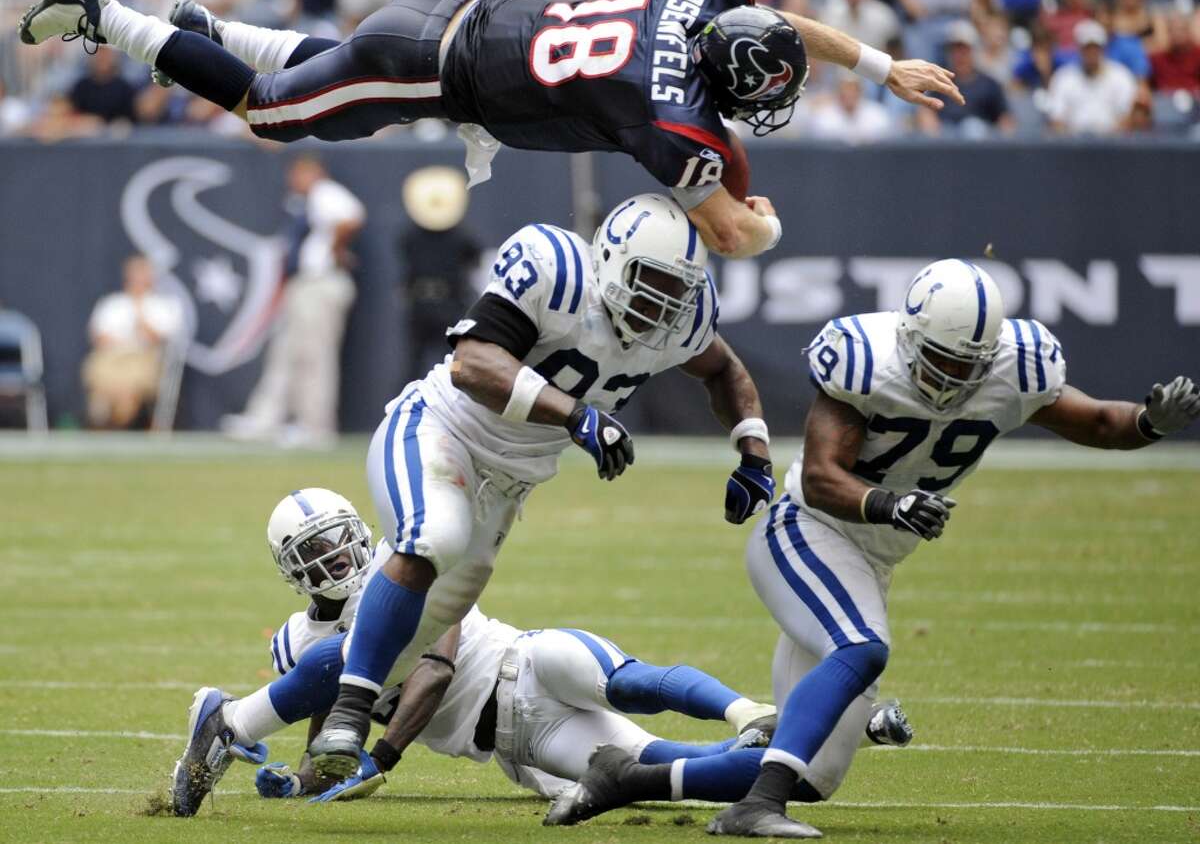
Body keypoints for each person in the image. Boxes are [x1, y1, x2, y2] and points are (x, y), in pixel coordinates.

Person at [544, 258, 1200, 837]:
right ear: (910, 337)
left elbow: (1098, 422)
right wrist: (889, 502)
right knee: (862, 645)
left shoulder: (1015, 369)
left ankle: (625, 775)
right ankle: (753, 809)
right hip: (807, 534)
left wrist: (1147, 423)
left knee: (815, 772)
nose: (954, 376)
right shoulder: (868, 361)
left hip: (871, 559)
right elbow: (826, 477)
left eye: (969, 364)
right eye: (942, 359)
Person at [299, 192, 775, 785]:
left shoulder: (684, 319)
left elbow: (724, 369)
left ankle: (243, 721)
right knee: (432, 538)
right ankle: (347, 714)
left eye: (675, 289)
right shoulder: (557, 270)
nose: (661, 303)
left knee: (419, 635)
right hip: (439, 430)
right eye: (648, 280)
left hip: (506, 484)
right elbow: (472, 362)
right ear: (610, 258)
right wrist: (576, 415)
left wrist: (753, 451)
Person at [19, 0, 962, 259]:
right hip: (433, 62)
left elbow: (778, 19)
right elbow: (727, 234)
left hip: (450, 9)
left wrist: (878, 66)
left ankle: (204, 24)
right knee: (272, 116)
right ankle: (103, 11)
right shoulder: (666, 114)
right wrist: (766, 221)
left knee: (339, 91)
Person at [169, 486, 864, 814]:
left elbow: (437, 663)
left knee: (628, 682)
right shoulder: (298, 642)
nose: (341, 555)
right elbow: (329, 739)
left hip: (523, 663)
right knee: (657, 767)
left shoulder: (400, 564)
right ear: (292, 569)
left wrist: (382, 759)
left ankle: (751, 712)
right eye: (317, 550)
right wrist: (303, 780)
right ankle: (818, 732)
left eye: (344, 536)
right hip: (514, 740)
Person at [220, 154, 364, 447]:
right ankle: (265, 420)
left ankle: (315, 427)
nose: (293, 181)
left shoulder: (326, 192)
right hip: (304, 285)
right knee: (284, 353)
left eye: (299, 174)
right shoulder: (306, 201)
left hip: (320, 283)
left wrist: (335, 251)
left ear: (313, 172)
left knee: (314, 356)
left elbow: (351, 217)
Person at [397, 166, 479, 382]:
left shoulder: (461, 238)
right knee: (414, 364)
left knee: (455, 362)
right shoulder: (412, 237)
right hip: (425, 307)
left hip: (449, 305)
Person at [82, 254, 183, 428]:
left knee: (127, 390)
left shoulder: (164, 305)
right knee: (101, 383)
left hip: (144, 359)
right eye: (135, 274)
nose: (139, 279)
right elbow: (99, 337)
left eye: (143, 274)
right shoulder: (112, 304)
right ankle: (103, 419)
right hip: (112, 358)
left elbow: (157, 339)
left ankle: (118, 420)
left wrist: (139, 312)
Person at [917, 21, 1013, 136]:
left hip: (981, 143)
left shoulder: (989, 84)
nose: (959, 55)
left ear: (973, 51)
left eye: (964, 50)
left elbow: (1005, 119)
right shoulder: (940, 83)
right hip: (947, 140)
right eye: (955, 50)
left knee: (973, 127)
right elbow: (927, 111)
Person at [1047, 19, 1138, 135]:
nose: (1091, 52)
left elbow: (1127, 118)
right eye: (1087, 48)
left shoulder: (1121, 76)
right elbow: (1056, 120)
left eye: (1095, 47)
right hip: (1072, 146)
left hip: (1113, 145)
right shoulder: (1063, 78)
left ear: (1103, 48)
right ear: (1079, 48)